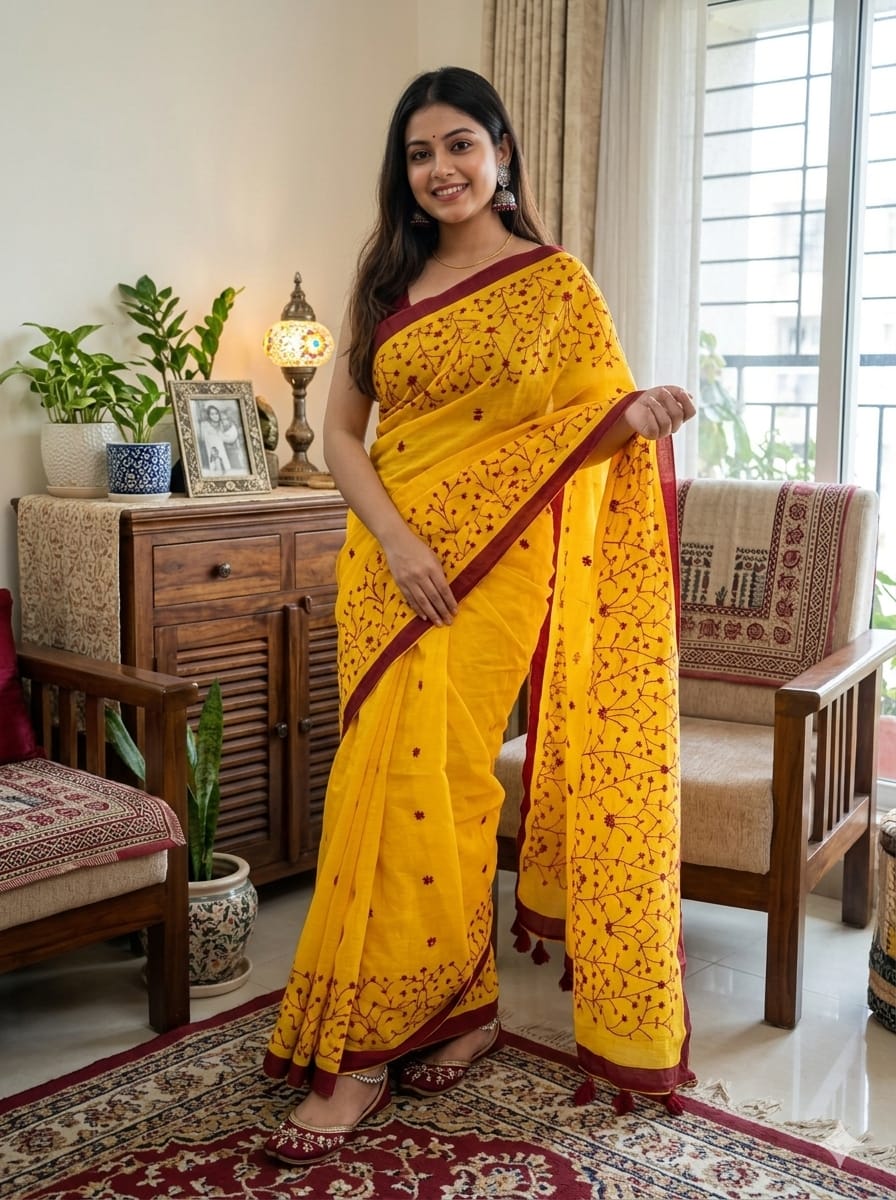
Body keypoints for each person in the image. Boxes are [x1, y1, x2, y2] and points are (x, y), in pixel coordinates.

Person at [263, 66, 697, 1167]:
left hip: (493, 571)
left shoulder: (556, 285)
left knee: (446, 788)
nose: (440, 169)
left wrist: (636, 415)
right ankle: (449, 1010)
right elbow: (344, 437)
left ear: (502, 152)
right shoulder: (386, 276)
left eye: (459, 144)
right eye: (419, 154)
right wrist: (399, 541)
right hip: (387, 563)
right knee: (373, 786)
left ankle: (370, 1052)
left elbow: (586, 426)